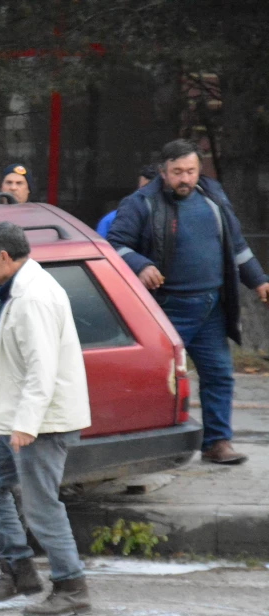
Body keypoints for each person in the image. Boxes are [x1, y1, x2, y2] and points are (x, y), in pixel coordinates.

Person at [107, 139, 269, 465]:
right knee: (157, 381)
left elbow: (236, 246)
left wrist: (259, 280)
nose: (185, 178)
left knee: (219, 375)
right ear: (163, 172)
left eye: (191, 171)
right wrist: (141, 265)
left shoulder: (213, 197)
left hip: (211, 307)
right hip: (164, 308)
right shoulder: (140, 203)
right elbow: (114, 245)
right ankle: (149, 449)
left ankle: (217, 443)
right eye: (178, 172)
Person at [0, 221, 93, 616]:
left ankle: (71, 586)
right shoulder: (18, 290)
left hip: (41, 422)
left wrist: (26, 423)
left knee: (41, 506)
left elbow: (42, 368)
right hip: (18, 418)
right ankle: (19, 569)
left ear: (5, 256)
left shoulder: (33, 298)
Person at [95, 164, 158, 237]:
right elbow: (100, 246)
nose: (142, 193)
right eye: (141, 188)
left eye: (148, 188)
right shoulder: (112, 219)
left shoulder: (170, 219)